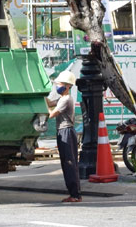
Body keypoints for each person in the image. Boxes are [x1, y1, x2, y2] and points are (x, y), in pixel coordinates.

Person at [47, 70, 81, 203]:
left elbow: (51, 113)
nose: (57, 86)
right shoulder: (62, 98)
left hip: (66, 132)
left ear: (67, 86)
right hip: (64, 132)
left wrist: (46, 109)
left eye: (59, 84)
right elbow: (50, 103)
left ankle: (75, 195)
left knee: (69, 163)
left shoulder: (66, 99)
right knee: (68, 163)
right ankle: (75, 194)